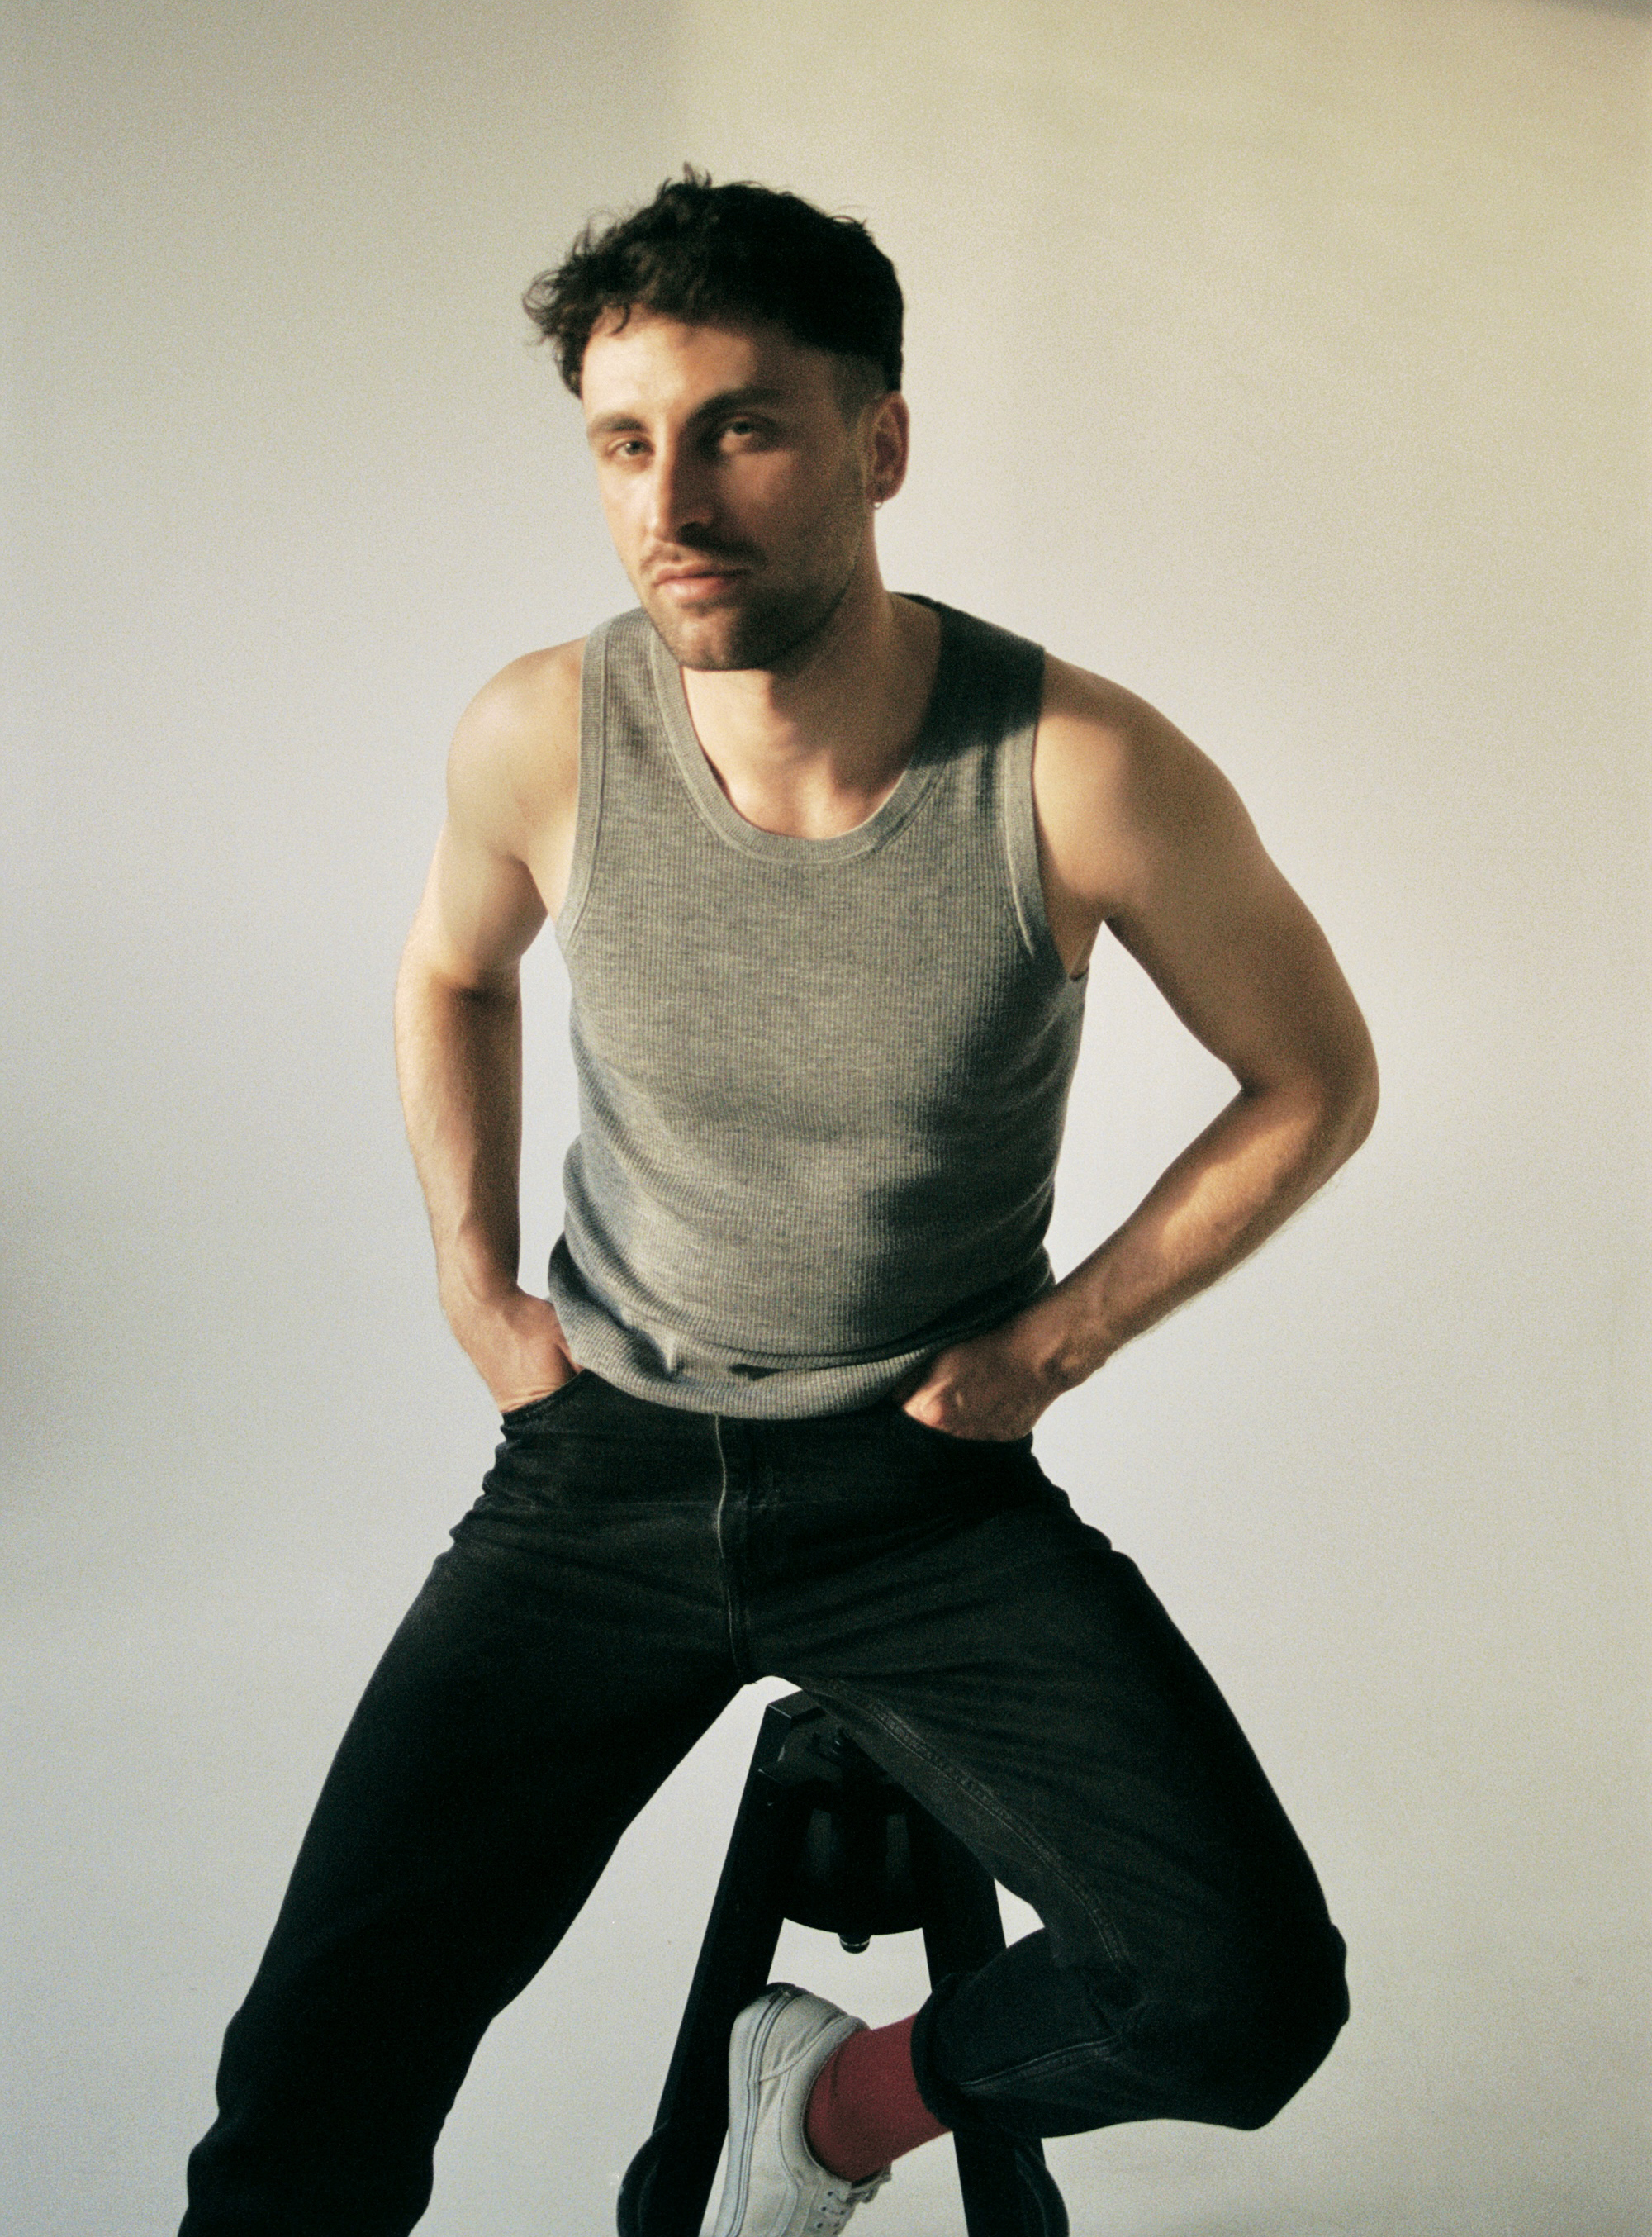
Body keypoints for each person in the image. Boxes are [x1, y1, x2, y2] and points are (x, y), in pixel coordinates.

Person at [180, 171, 1378, 2237]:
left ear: (876, 443)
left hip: (918, 1494)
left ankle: (826, 2110)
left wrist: (1054, 1344)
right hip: (597, 1482)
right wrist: (476, 1283)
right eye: (624, 443)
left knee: (1239, 1994)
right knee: (313, 2081)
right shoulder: (542, 733)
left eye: (738, 429)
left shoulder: (1073, 766)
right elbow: (453, 969)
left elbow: (1313, 1078)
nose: (673, 501)